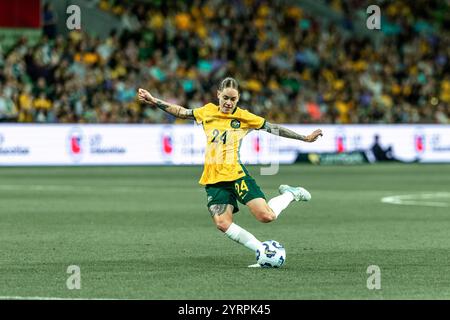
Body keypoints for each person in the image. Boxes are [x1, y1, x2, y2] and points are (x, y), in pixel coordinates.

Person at [137, 77, 323, 267]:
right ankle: (262, 250)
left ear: (238, 99)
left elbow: (273, 128)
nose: (228, 102)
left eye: (233, 99)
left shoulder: (245, 117)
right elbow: (181, 111)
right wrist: (153, 100)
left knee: (266, 216)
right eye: (225, 97)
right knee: (222, 223)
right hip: (213, 179)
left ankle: (291, 194)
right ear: (218, 94)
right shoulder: (206, 111)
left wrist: (304, 138)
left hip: (236, 175)